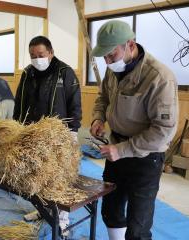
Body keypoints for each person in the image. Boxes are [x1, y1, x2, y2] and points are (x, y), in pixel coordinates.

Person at [90, 20, 178, 240]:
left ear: (130, 44)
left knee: (138, 226)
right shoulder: (113, 70)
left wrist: (123, 149)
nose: (108, 62)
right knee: (111, 210)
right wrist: (98, 118)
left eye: (112, 55)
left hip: (145, 157)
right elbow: (103, 98)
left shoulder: (159, 77)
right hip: (116, 149)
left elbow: (164, 130)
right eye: (104, 57)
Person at [13, 36, 82, 237]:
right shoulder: (27, 73)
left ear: (50, 53)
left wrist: (73, 131)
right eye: (32, 56)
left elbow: (75, 104)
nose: (36, 59)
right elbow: (19, 102)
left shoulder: (65, 73)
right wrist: (17, 128)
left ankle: (62, 218)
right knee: (37, 176)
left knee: (59, 178)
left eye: (40, 55)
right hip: (32, 134)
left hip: (58, 137)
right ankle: (42, 209)